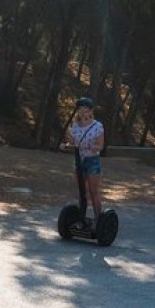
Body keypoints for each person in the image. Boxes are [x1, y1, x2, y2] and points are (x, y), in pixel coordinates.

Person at [61, 97, 105, 226]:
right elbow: (73, 142)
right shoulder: (75, 126)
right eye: (80, 110)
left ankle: (99, 220)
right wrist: (66, 145)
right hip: (79, 161)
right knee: (82, 192)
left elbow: (100, 146)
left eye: (85, 110)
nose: (82, 113)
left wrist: (88, 147)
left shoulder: (97, 126)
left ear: (91, 111)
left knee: (93, 191)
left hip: (92, 161)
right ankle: (81, 218)